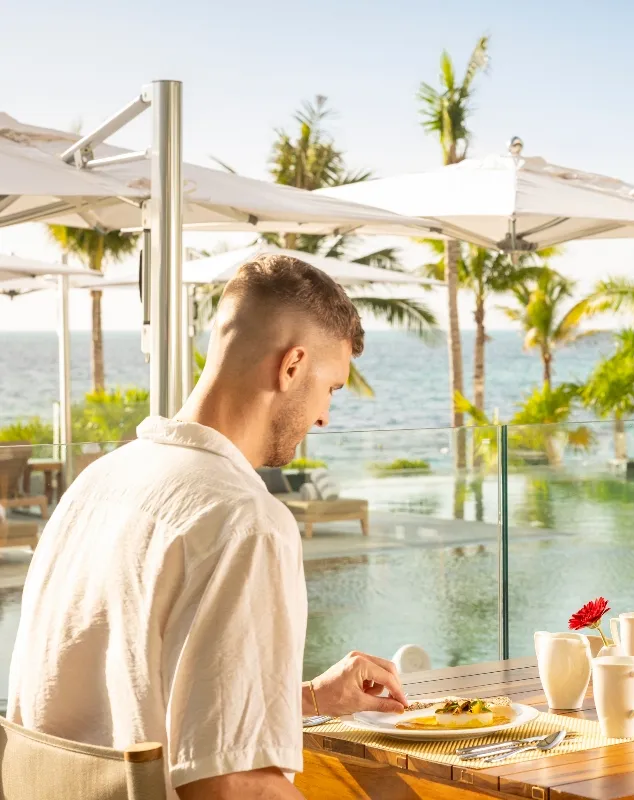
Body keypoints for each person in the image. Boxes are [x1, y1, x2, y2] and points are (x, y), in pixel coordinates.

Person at [8, 255, 410, 799]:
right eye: (331, 388)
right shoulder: (244, 521)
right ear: (292, 366)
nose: (324, 418)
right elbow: (230, 786)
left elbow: (132, 716)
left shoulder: (96, 485)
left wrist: (309, 697)